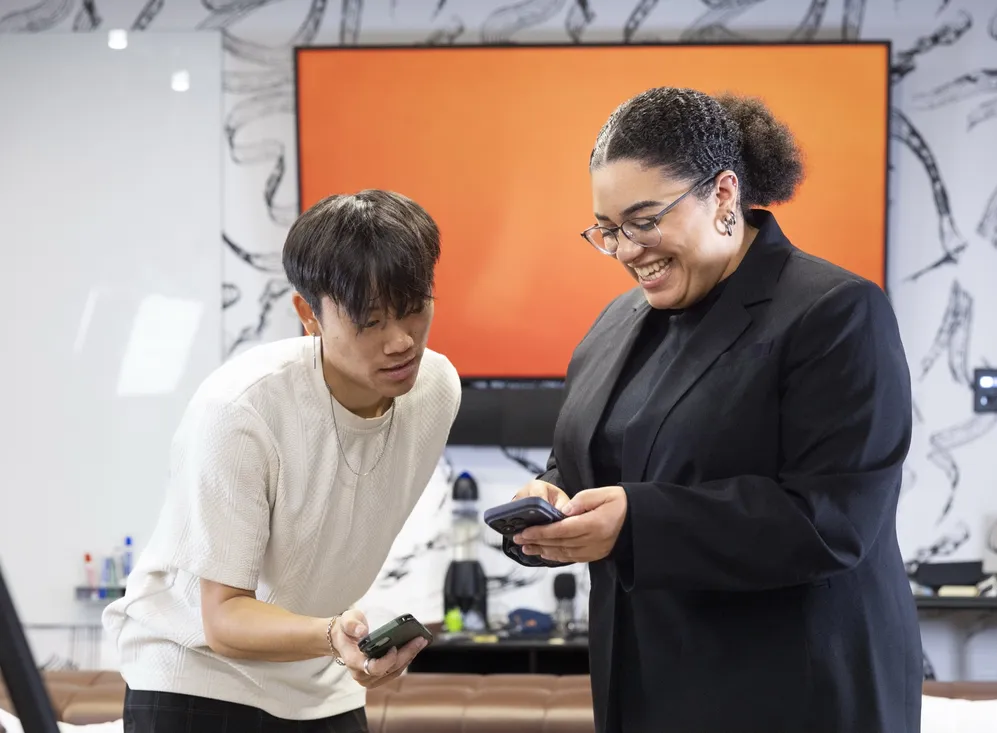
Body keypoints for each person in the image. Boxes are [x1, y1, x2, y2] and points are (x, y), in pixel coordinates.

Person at [506, 87, 922, 733]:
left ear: (723, 195)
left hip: (790, 695)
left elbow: (831, 520)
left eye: (645, 221)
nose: (626, 250)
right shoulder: (617, 322)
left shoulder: (835, 312)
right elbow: (593, 462)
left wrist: (635, 523)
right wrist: (550, 498)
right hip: (645, 688)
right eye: (608, 230)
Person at [102, 190, 461, 733]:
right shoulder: (240, 409)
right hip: (195, 679)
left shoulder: (435, 388)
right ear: (307, 314)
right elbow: (224, 617)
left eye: (414, 308)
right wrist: (332, 635)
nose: (401, 342)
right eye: (369, 321)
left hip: (320, 680)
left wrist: (337, 640)